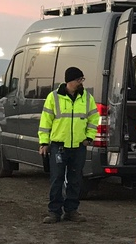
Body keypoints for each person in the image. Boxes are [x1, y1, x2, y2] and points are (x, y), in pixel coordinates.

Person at [38, 66, 100, 224]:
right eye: (79, 79)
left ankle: (72, 210)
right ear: (70, 81)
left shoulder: (87, 98)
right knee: (57, 178)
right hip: (59, 145)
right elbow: (45, 122)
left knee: (75, 179)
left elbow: (94, 119)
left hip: (79, 146)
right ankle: (54, 212)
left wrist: (89, 138)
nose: (81, 82)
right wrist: (44, 142)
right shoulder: (54, 97)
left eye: (82, 79)